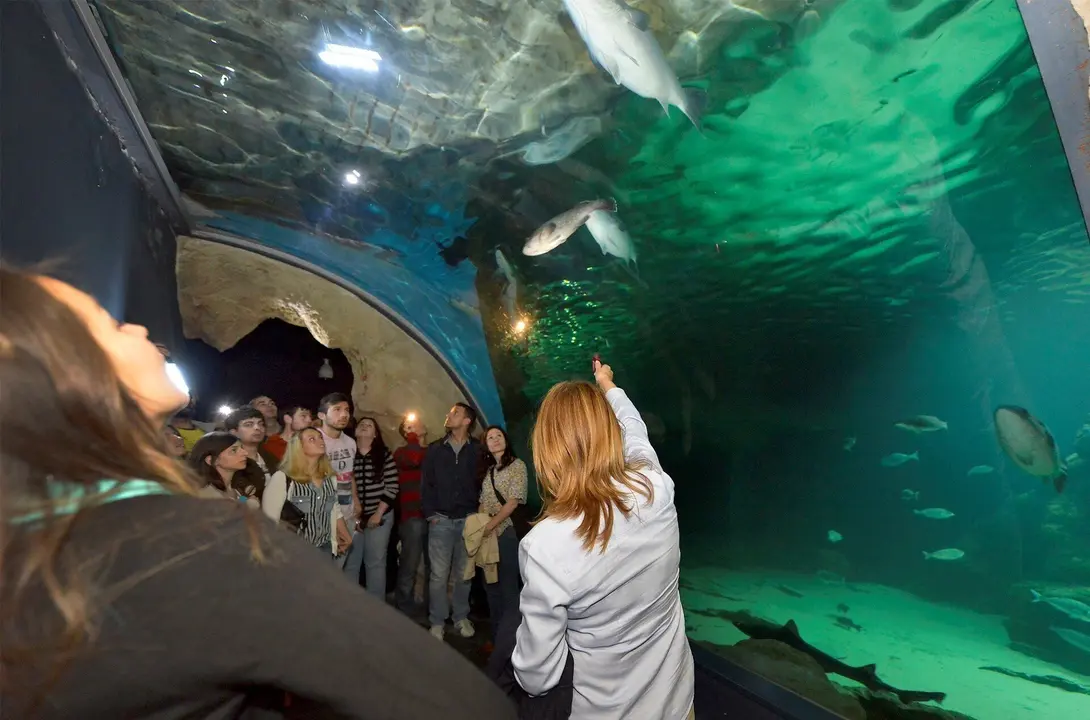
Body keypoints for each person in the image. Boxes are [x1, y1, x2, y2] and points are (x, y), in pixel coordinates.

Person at [0, 266, 517, 719]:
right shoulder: (192, 543)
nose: (135, 325)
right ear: (66, 377)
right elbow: (457, 703)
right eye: (108, 324)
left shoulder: (38, 537)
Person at [512, 360, 695, 719]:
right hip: (677, 702)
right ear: (610, 435)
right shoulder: (656, 490)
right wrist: (607, 383)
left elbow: (536, 677)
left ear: (546, 448)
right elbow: (634, 428)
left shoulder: (544, 546)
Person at [422, 402, 481, 641]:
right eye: (450, 412)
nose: (449, 415)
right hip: (441, 520)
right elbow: (426, 484)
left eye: (456, 413)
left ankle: (460, 617)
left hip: (467, 520)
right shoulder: (436, 448)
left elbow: (482, 484)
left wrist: (477, 514)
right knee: (438, 575)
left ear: (467, 421)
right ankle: (437, 621)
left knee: (464, 574)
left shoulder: (477, 449)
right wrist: (431, 514)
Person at [262, 428, 352, 558]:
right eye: (312, 439)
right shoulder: (283, 478)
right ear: (299, 447)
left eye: (320, 437)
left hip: (324, 548)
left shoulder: (329, 478)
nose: (320, 441)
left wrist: (345, 534)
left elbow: (334, 508)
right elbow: (269, 522)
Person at [478, 425, 528, 643]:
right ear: (486, 445)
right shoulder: (488, 472)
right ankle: (498, 637)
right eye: (490, 437)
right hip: (488, 535)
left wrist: (491, 525)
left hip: (506, 532)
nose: (495, 439)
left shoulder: (518, 466)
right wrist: (481, 525)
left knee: (509, 589)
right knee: (491, 588)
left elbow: (513, 502)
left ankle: (513, 641)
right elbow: (482, 501)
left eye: (499, 436)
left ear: (506, 440)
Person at [344, 417, 398, 596]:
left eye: (370, 425)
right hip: (353, 516)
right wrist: (354, 515)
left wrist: (377, 514)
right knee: (351, 562)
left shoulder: (383, 455)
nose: (365, 426)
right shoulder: (348, 454)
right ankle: (350, 607)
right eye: (362, 424)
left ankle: (376, 609)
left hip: (380, 516)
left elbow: (392, 486)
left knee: (375, 562)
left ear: (375, 434)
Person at [393, 414, 428, 611]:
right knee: (409, 564)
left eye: (417, 423)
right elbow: (414, 460)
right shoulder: (401, 453)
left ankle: (428, 608)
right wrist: (413, 438)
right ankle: (403, 608)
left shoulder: (433, 451)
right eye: (410, 426)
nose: (416, 426)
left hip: (433, 516)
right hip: (412, 516)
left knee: (434, 569)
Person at [317, 392, 359, 545]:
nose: (344, 414)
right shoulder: (314, 441)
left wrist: (355, 501)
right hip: (324, 515)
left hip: (347, 512)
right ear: (322, 415)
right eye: (337, 409)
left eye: (347, 410)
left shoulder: (350, 442)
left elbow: (350, 474)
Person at [188, 431, 261, 510]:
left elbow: (239, 501)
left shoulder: (235, 486)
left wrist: (246, 500)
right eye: (234, 450)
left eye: (241, 448)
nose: (245, 453)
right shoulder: (206, 496)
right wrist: (250, 505)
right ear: (211, 460)